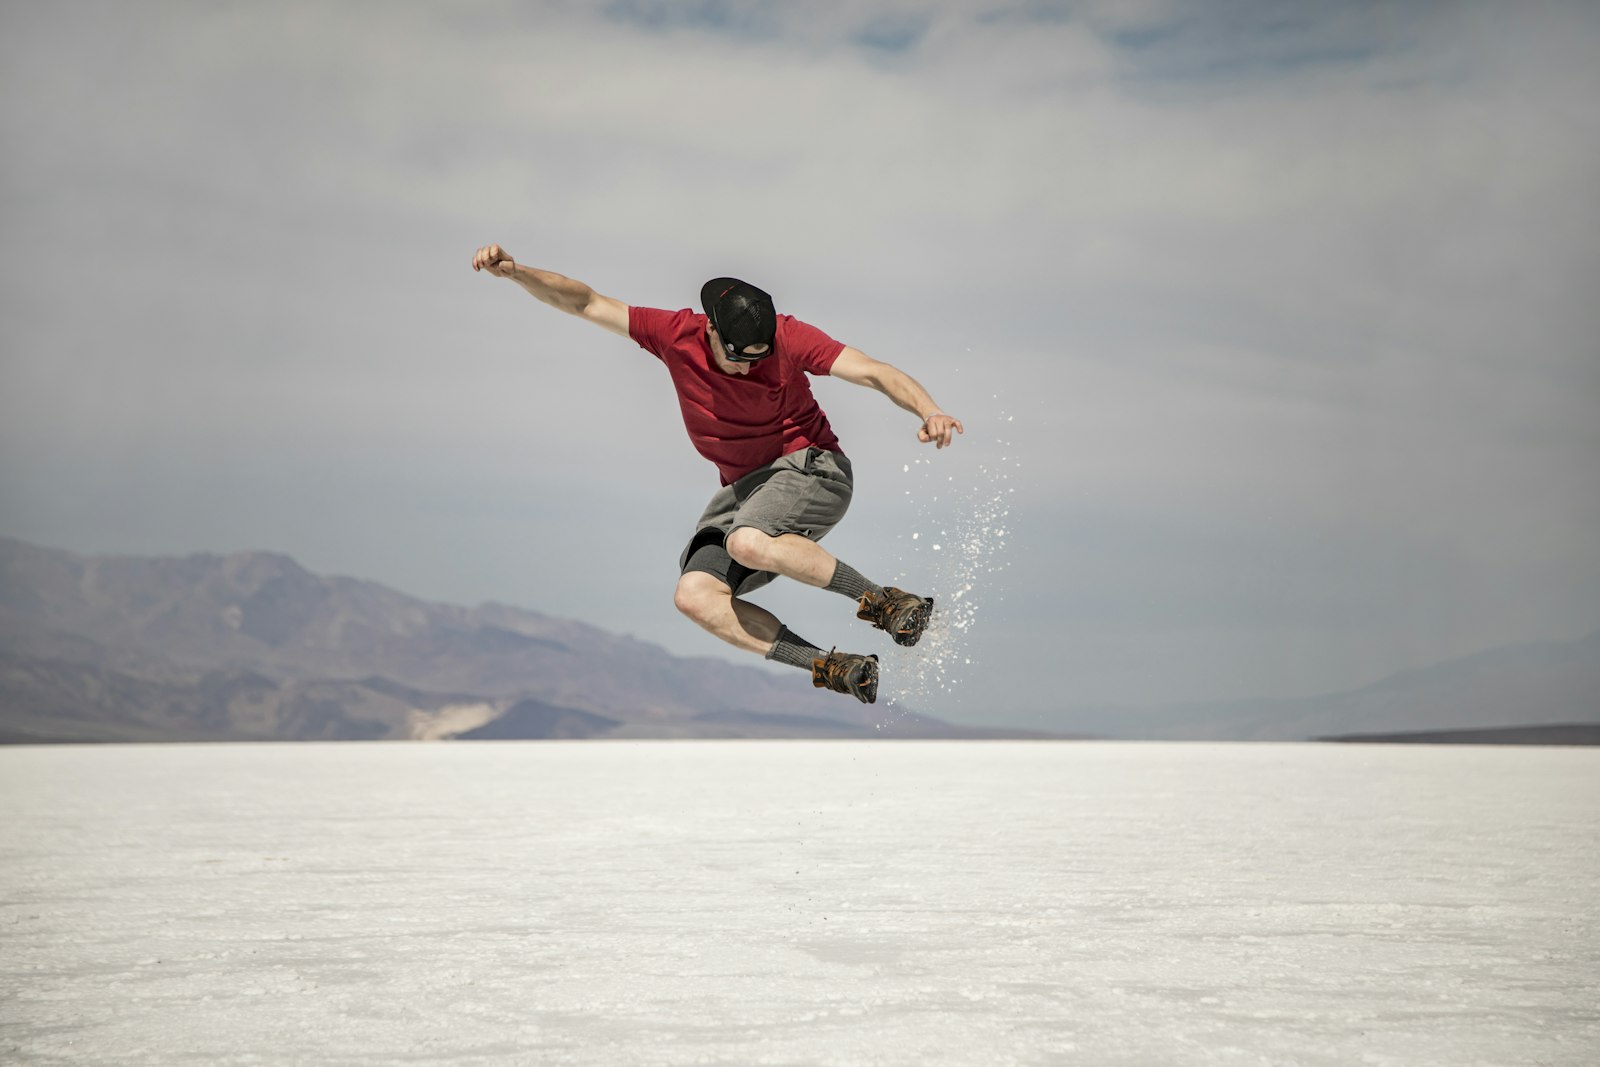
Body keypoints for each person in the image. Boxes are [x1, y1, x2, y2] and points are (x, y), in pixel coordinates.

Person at [470, 244, 963, 703]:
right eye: (738, 359)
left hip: (813, 468)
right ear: (711, 331)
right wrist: (517, 273)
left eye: (759, 359)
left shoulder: (789, 338)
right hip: (745, 493)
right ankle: (834, 667)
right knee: (695, 596)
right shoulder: (672, 333)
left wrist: (928, 409)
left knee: (747, 541)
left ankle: (889, 604)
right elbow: (585, 302)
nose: (750, 371)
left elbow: (875, 370)